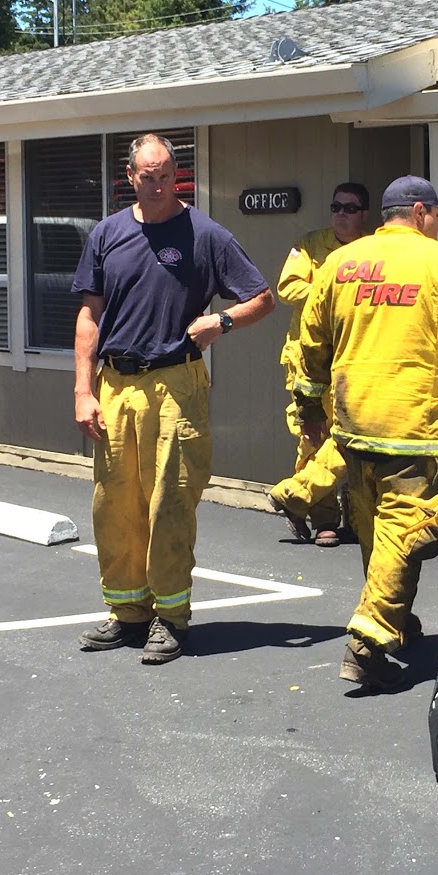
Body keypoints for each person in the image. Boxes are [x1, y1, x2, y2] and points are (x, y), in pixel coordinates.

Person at [71, 133, 274, 665]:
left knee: (170, 503)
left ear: (175, 174)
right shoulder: (107, 234)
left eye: (166, 175)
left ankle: (171, 617)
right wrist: (83, 390)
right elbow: (89, 316)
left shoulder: (205, 234)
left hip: (175, 386)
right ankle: (127, 612)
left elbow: (262, 298)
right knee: (115, 504)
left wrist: (220, 321)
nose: (158, 185)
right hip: (115, 386)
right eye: (148, 176)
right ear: (130, 176)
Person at [294, 175, 438, 690]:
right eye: (436, 217)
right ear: (420, 212)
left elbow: (311, 340)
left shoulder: (341, 263)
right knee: (404, 534)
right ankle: (368, 643)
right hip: (412, 427)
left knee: (374, 532)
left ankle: (398, 618)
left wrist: (309, 406)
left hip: (353, 424)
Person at [268, 182, 371, 546]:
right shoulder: (310, 245)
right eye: (335, 207)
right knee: (313, 437)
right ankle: (324, 520)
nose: (341, 214)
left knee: (352, 439)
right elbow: (287, 288)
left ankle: (348, 516)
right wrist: (333, 294)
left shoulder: (372, 251)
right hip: (308, 359)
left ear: (364, 214)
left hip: (353, 358)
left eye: (350, 208)